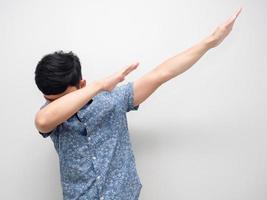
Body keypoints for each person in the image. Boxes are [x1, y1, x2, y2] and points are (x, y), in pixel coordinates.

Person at [34, 8, 242, 200]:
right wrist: (99, 85)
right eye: (50, 100)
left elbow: (162, 73)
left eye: (64, 97)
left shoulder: (111, 99)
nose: (55, 105)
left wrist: (210, 41)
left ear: (81, 84)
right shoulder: (51, 116)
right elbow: (42, 121)